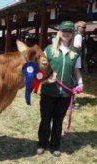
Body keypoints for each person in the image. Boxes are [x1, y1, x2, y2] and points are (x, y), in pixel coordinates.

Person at [37, 21, 83, 157]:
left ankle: (55, 145)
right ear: (59, 33)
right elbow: (42, 68)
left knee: (58, 120)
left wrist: (80, 82)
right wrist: (45, 79)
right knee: (45, 119)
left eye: (70, 31)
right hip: (49, 91)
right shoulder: (49, 49)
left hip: (66, 93)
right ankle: (42, 143)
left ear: (73, 34)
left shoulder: (75, 53)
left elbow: (76, 71)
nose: (67, 33)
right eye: (64, 31)